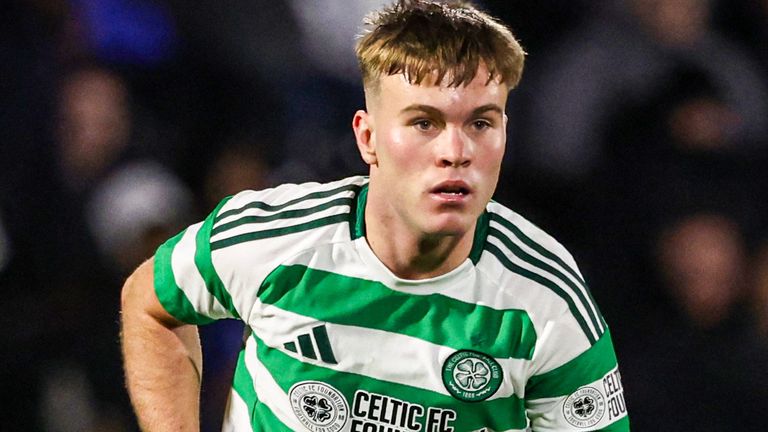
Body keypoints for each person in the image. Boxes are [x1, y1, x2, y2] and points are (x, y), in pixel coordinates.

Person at [120, 1, 629, 430]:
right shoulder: (274, 240)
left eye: (480, 123)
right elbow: (151, 305)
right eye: (424, 122)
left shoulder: (546, 300)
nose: (456, 151)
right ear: (368, 138)